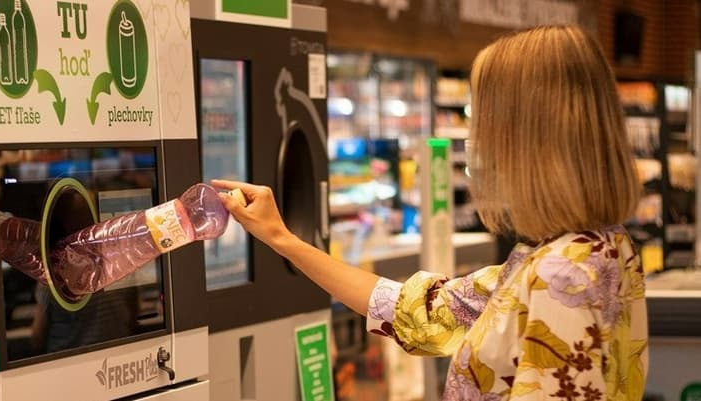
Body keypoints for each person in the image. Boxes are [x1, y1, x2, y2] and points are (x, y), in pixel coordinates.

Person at [213, 25, 647, 401]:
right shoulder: (599, 247)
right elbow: (419, 310)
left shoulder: (559, 276)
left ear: (523, 137)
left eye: (485, 116)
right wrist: (282, 238)